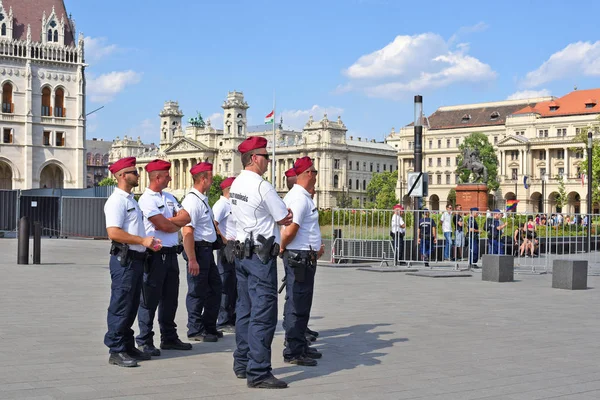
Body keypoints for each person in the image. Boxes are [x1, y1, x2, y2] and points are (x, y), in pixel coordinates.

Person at [230, 136, 293, 389]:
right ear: (254, 158)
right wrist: (283, 216)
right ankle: (258, 372)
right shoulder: (261, 186)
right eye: (266, 156)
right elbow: (284, 216)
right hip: (260, 256)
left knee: (244, 310)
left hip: (242, 254)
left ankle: (242, 362)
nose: (269, 160)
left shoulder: (236, 184)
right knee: (263, 313)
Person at [103, 157, 162, 367]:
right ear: (122, 176)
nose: (137, 175)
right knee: (121, 304)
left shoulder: (130, 200)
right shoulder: (116, 201)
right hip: (124, 260)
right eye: (134, 172)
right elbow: (114, 232)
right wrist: (142, 240)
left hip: (137, 258)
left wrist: (147, 243)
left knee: (131, 304)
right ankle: (116, 350)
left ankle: (127, 346)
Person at [136, 159, 193, 357]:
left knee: (170, 298)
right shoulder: (147, 200)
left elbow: (186, 217)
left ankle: (169, 337)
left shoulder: (169, 197)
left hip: (170, 253)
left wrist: (168, 221)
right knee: (149, 299)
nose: (171, 177)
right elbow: (166, 227)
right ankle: (144, 339)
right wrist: (171, 223)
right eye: (167, 175)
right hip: (154, 255)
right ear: (158, 177)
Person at [280, 156, 325, 367]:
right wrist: (281, 247)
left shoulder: (302, 196)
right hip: (299, 257)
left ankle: (300, 344)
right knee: (297, 304)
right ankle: (293, 350)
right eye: (314, 172)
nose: (316, 176)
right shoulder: (298, 198)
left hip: (304, 255)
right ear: (308, 173)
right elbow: (291, 229)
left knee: (302, 303)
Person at [181, 162, 223, 343]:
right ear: (203, 179)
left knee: (215, 289)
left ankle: (209, 326)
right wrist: (192, 259)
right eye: (211, 178)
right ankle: (195, 328)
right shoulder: (191, 201)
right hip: (198, 251)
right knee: (197, 291)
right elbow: (187, 232)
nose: (213, 181)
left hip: (207, 251)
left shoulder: (201, 199)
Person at [212, 176, 237, 333]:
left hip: (235, 247)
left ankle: (232, 316)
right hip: (226, 247)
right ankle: (223, 319)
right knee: (226, 282)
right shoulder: (221, 204)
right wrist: (223, 238)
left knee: (234, 285)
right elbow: (213, 223)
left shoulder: (231, 204)